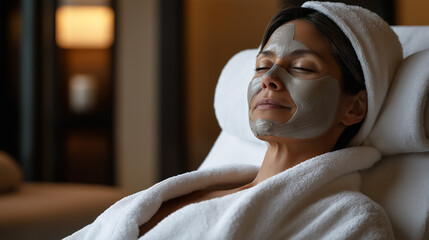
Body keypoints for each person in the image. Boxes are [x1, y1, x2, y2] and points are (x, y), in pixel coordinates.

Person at [65, 2, 402, 239]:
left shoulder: (350, 221)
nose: (269, 78)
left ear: (354, 108)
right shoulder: (199, 189)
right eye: (262, 65)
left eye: (301, 67)